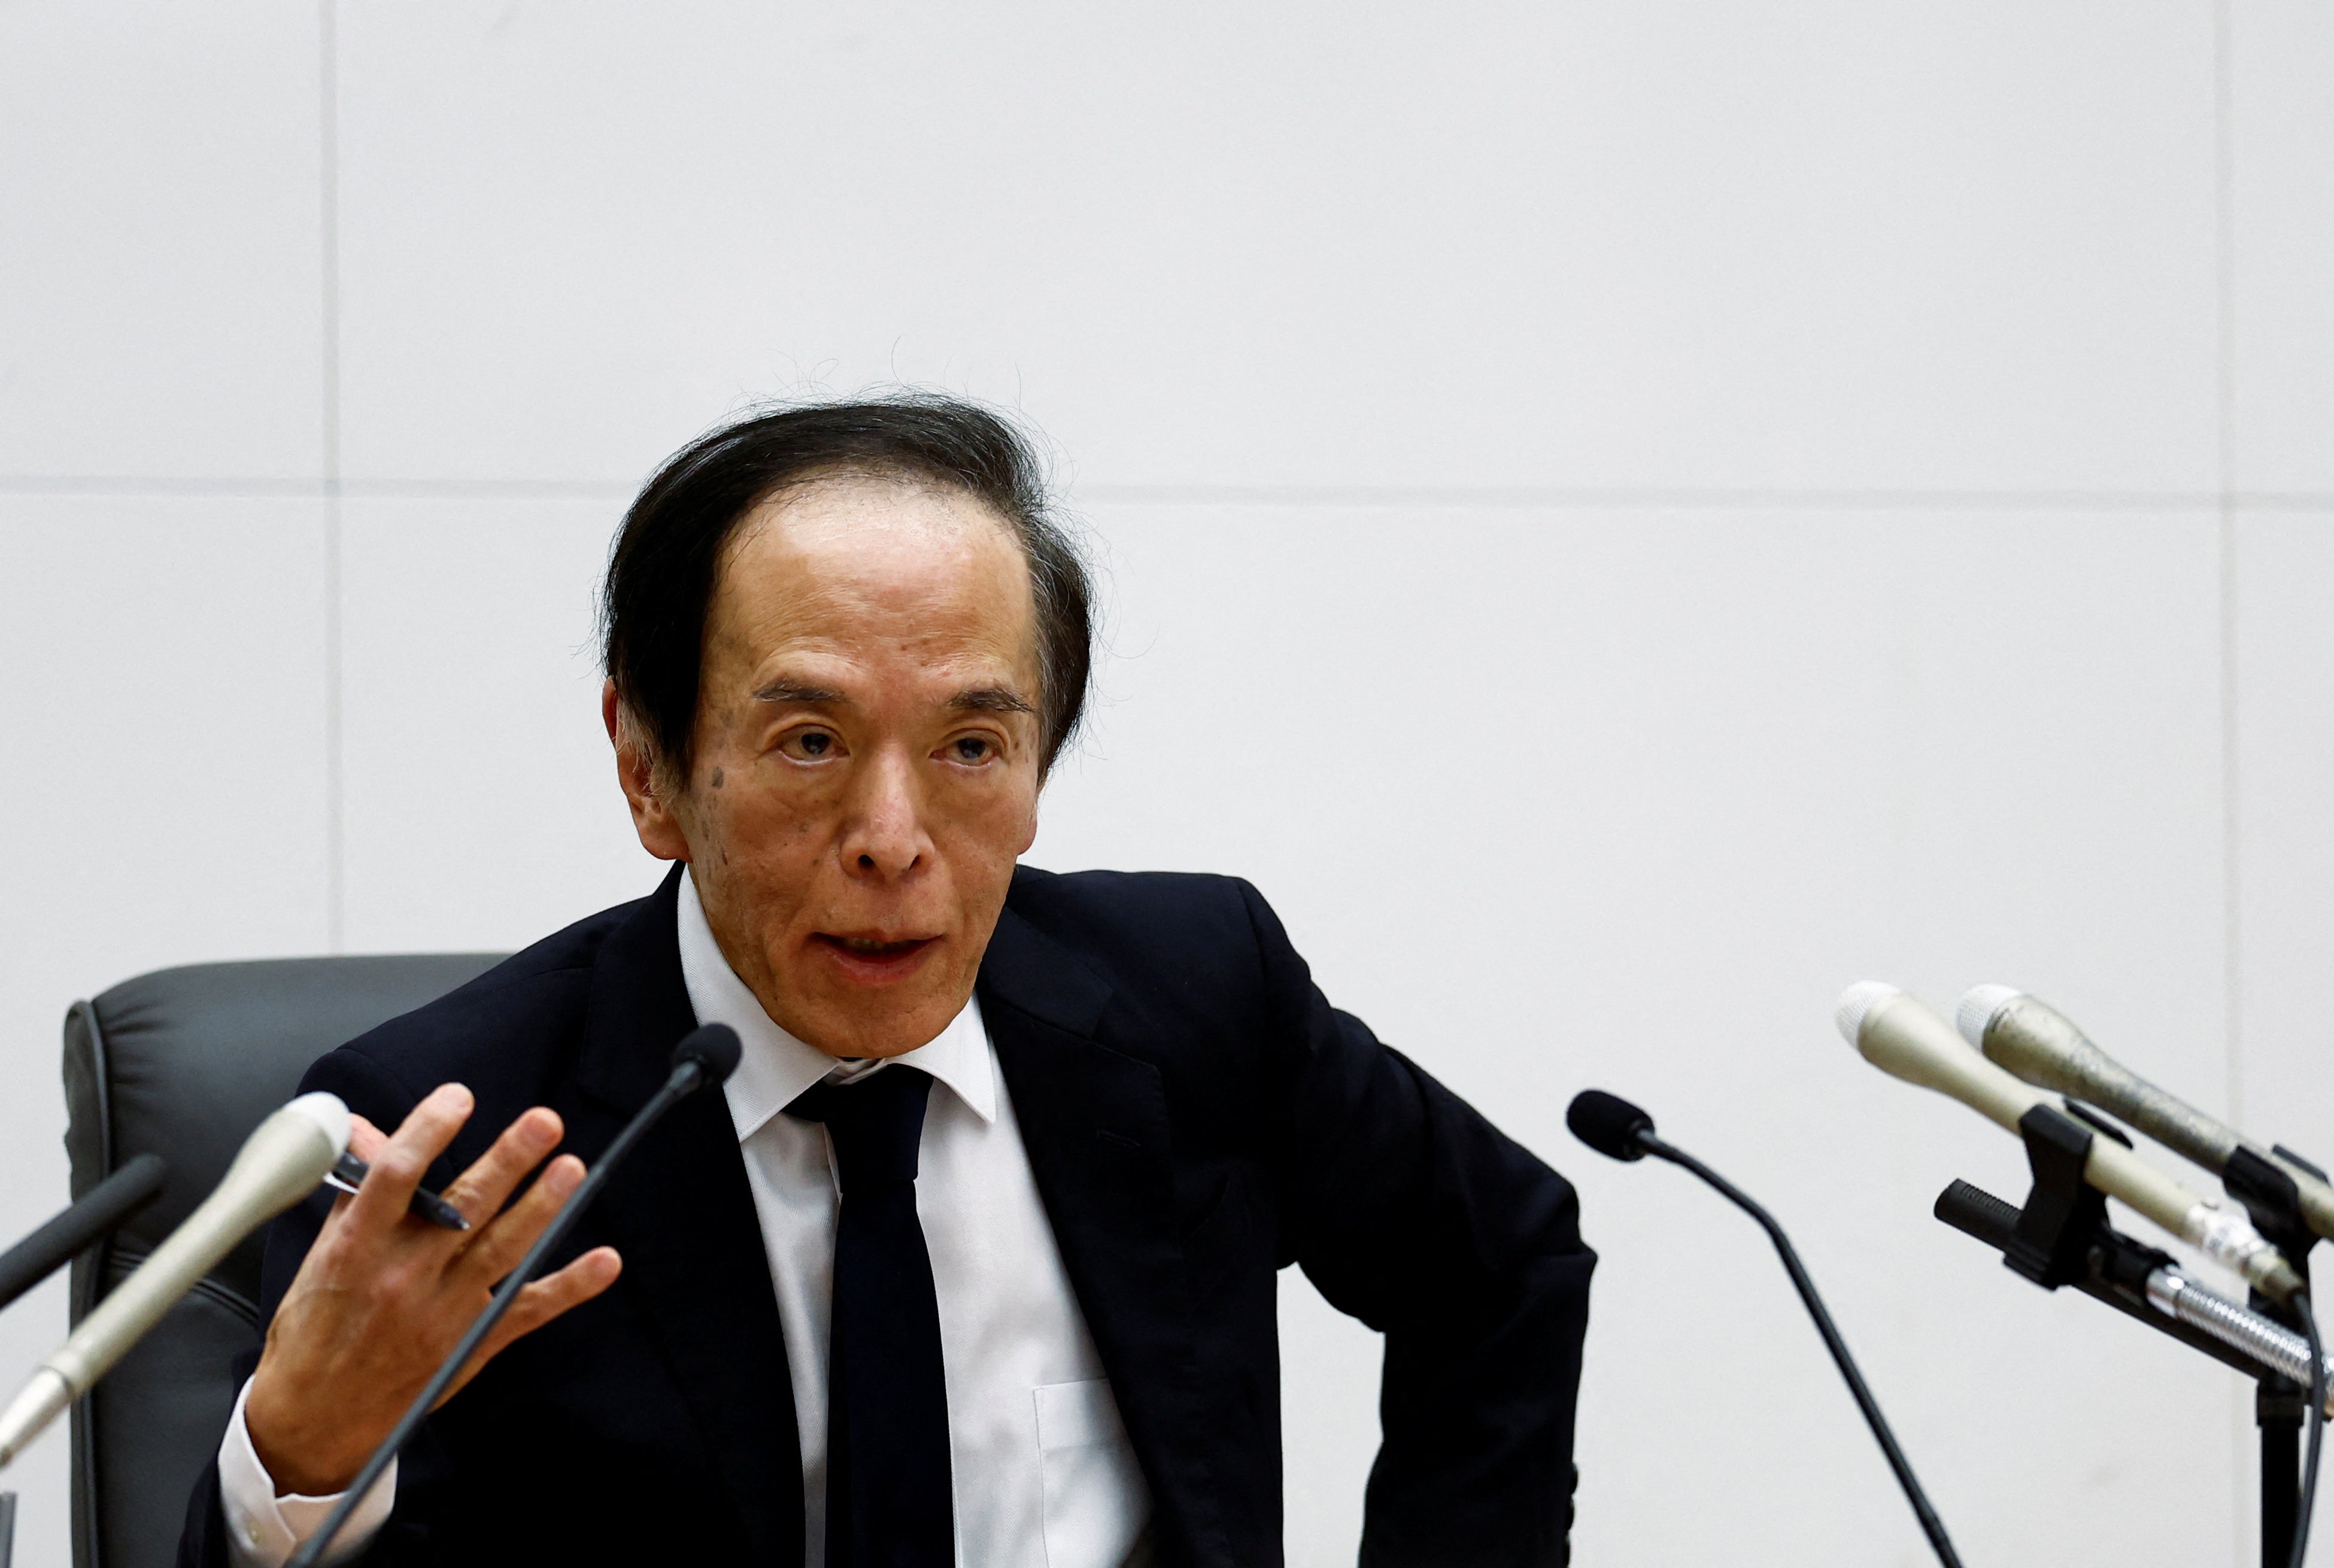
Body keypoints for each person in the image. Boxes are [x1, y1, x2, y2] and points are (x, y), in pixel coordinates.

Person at [175, 396, 1596, 1568]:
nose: (893, 840)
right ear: (647, 762)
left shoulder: (1192, 997)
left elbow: (1503, 1261)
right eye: (808, 740)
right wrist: (302, 1466)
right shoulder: (456, 1136)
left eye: (972, 745)